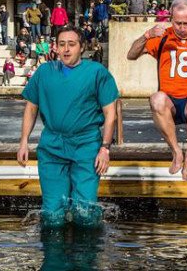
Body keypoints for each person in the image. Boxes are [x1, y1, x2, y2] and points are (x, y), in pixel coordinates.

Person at [17, 25, 119, 227]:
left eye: (71, 44)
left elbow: (110, 114)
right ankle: (55, 257)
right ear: (55, 47)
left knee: (85, 213)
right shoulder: (45, 72)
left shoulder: (97, 72)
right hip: (52, 146)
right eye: (61, 44)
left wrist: (105, 148)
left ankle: (84, 256)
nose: (66, 49)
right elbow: (31, 108)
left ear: (82, 47)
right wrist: (23, 142)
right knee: (52, 214)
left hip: (87, 145)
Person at [127, 0, 187, 180]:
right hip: (170, 102)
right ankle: (176, 152)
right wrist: (147, 35)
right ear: (171, 19)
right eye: (177, 22)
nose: (182, 27)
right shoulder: (163, 36)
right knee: (156, 98)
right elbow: (131, 55)